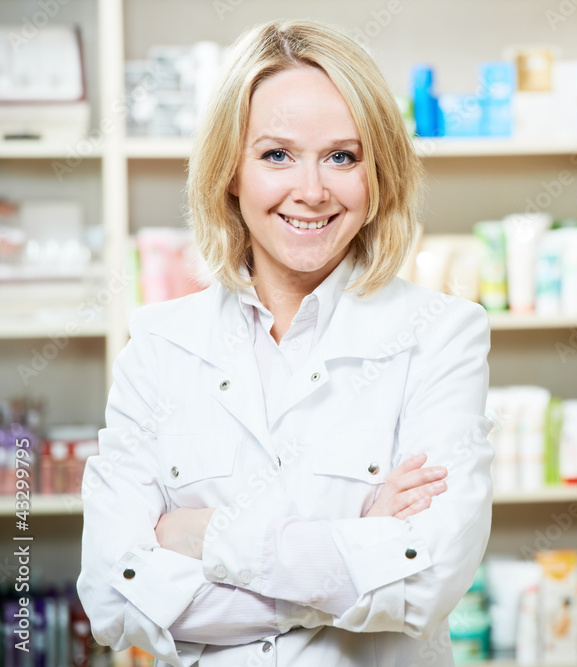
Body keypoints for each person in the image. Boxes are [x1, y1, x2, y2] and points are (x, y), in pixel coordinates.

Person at [77, 19, 493, 667]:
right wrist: (353, 546)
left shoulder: (441, 336)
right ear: (231, 172)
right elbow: (112, 597)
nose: (312, 190)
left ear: (377, 172)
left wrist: (201, 536)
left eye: (342, 156)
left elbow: (423, 581)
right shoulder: (159, 344)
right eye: (276, 155)